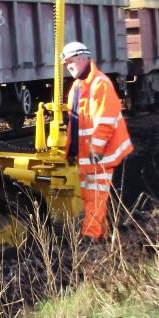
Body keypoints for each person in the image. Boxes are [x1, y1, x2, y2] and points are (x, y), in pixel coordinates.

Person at [62, 41, 134, 241]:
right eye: (66, 64)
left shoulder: (100, 84)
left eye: (71, 61)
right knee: (92, 196)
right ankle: (104, 235)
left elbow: (105, 120)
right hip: (87, 155)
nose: (69, 66)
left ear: (84, 59)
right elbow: (75, 123)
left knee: (94, 196)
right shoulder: (77, 86)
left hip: (100, 154)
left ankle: (90, 237)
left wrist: (96, 148)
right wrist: (70, 151)